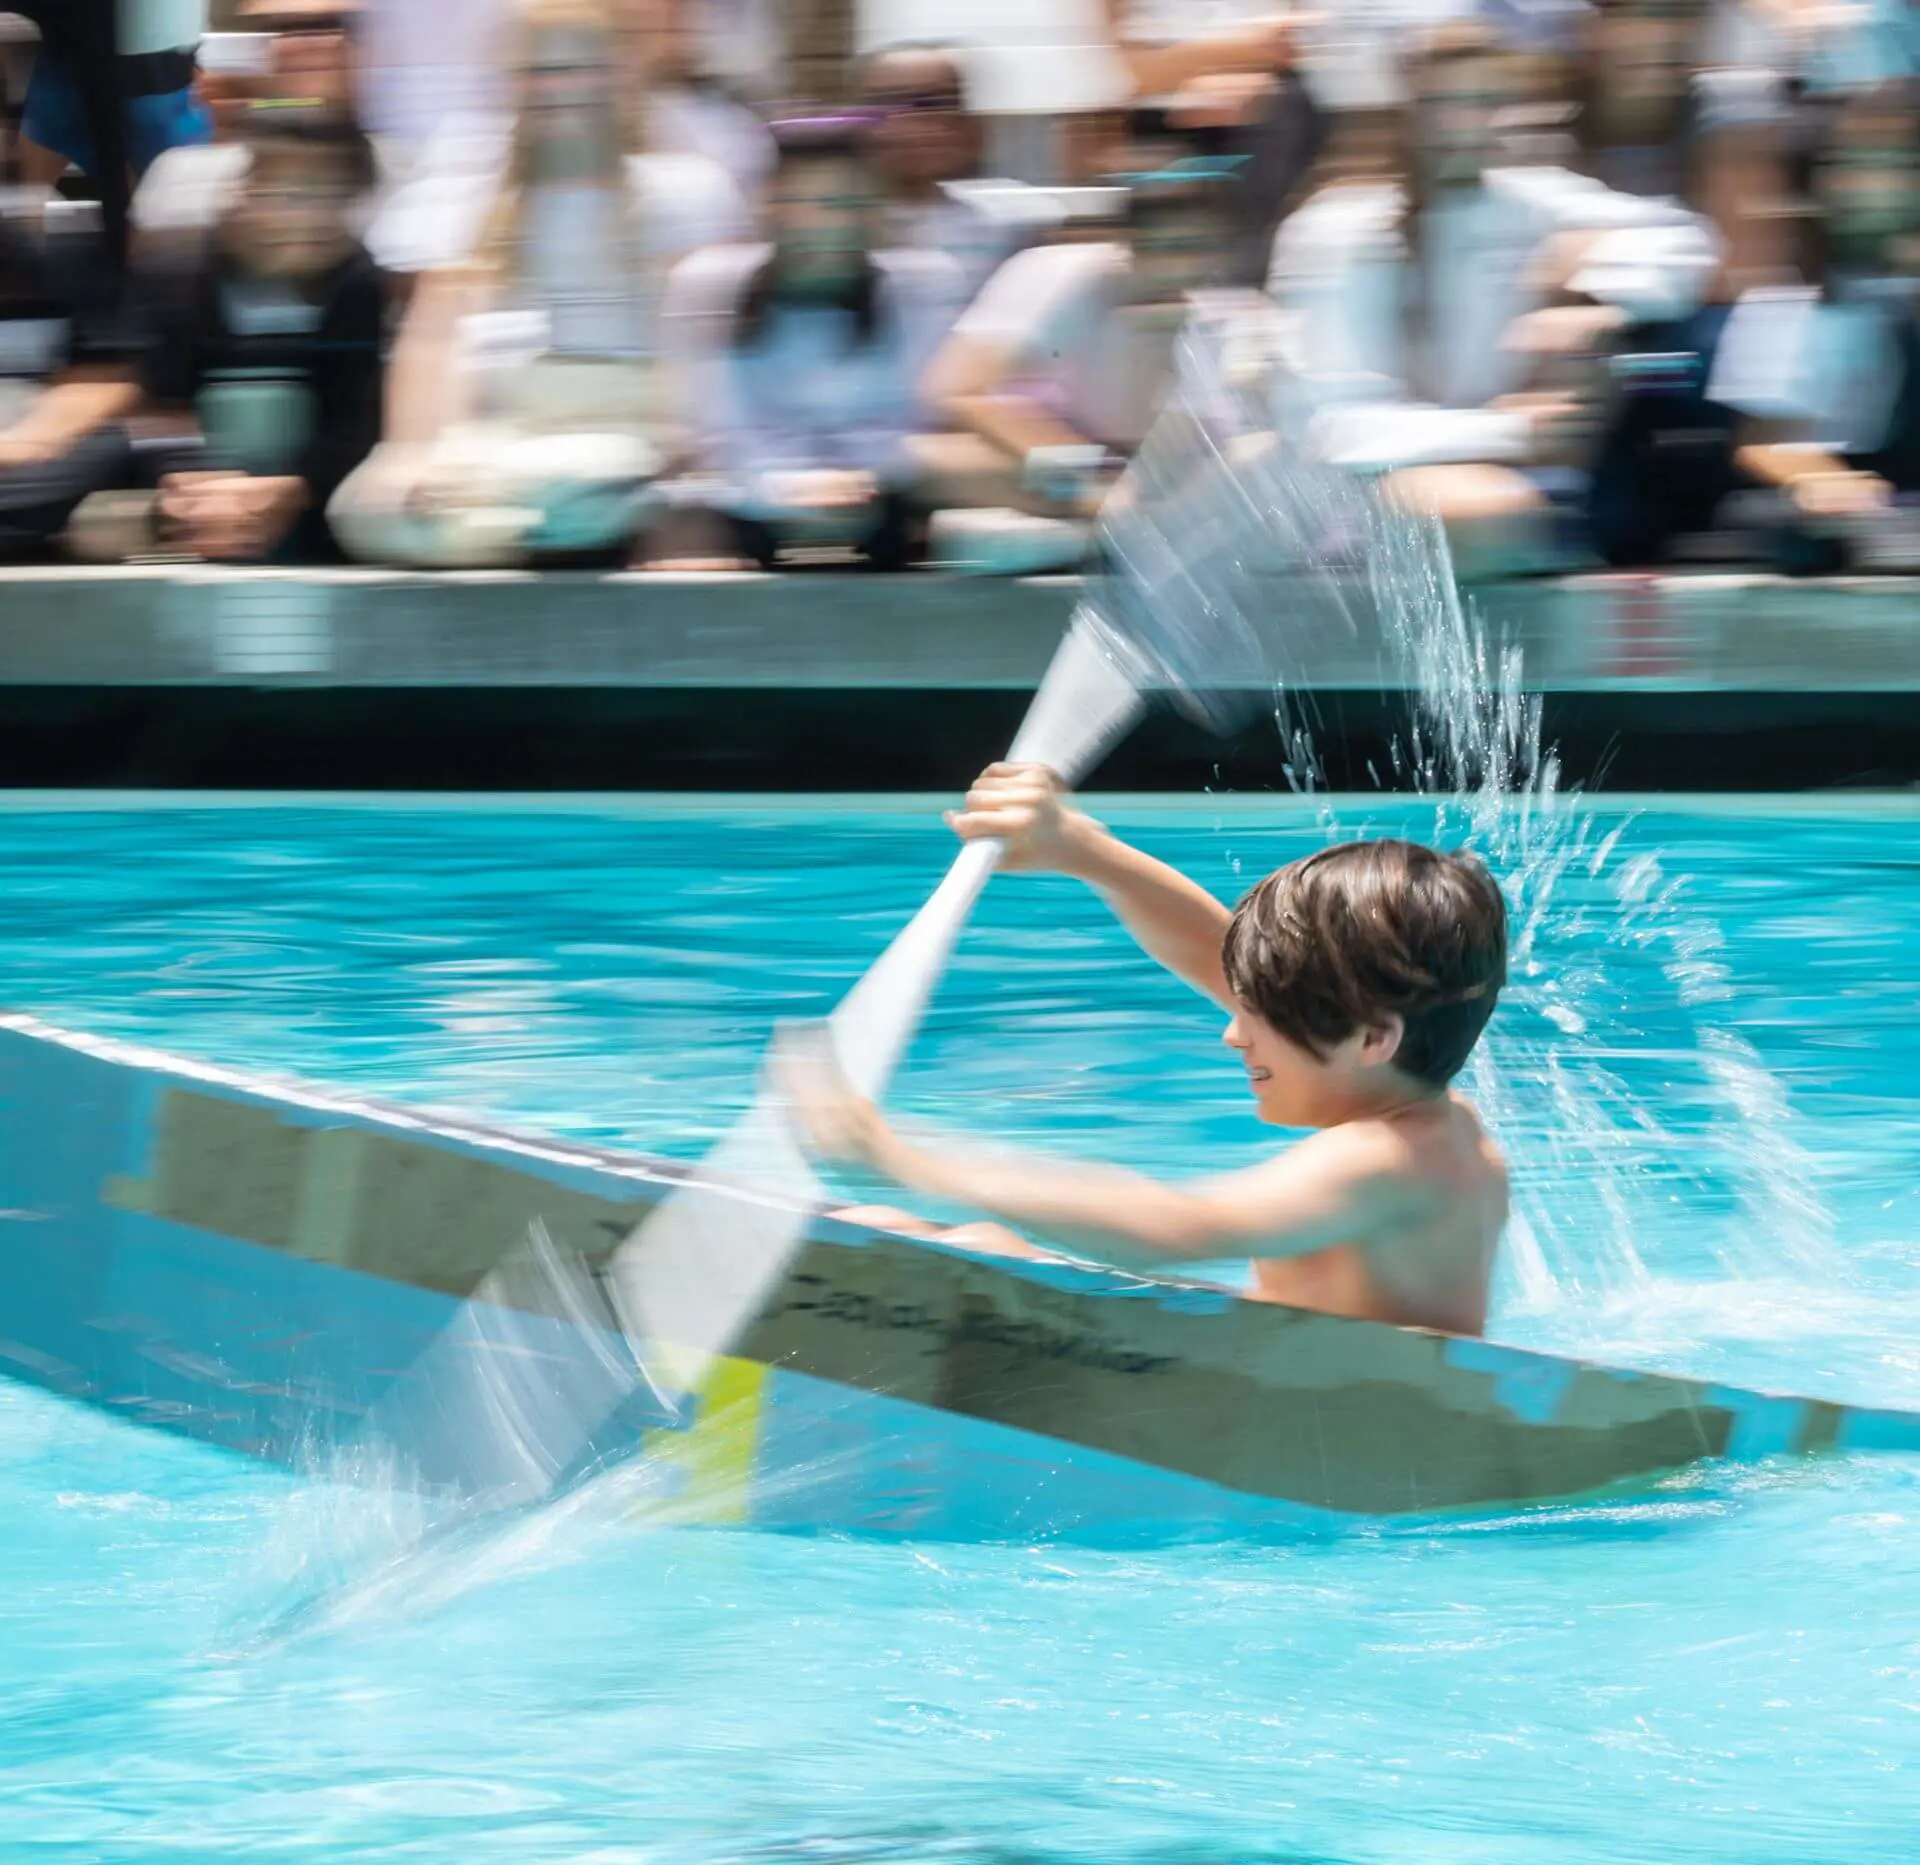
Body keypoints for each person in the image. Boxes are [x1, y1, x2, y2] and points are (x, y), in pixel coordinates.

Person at [789, 765, 1510, 1340]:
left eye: (1259, 1015)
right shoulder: (1409, 1101)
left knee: (955, 1251)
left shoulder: (1386, 1157)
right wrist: (1083, 849)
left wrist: (901, 1160)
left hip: (1355, 1430)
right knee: (963, 1243)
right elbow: (1214, 950)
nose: (1232, 1029)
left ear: (1373, 1036)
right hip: (1303, 1374)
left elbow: (1175, 1227)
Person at [1267, 19, 1722, 574]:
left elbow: (1690, 242)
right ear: (1404, 107)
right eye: (1441, 102)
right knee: (1496, 514)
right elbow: (1333, 432)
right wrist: (1511, 430)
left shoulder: (1531, 200)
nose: (1462, 123)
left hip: (1511, 478)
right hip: (1358, 496)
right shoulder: (1331, 233)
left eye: (1482, 101)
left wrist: (1598, 293)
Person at [328, 0, 743, 569]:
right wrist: (411, 455)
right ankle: (529, 525)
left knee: (572, 486)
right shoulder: (467, 195)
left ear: (622, 73)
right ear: (511, 85)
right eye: (540, 71)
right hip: (496, 434)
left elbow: (704, 348)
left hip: (626, 430)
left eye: (580, 68)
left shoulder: (686, 192)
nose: (560, 87)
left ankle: (557, 522)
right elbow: (431, 341)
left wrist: (687, 461)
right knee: (372, 510)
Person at [644, 117, 963, 571]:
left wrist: (867, 479)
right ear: (769, 207)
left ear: (874, 211)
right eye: (802, 203)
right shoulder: (705, 283)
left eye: (844, 204)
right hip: (741, 514)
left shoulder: (926, 285)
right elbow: (708, 435)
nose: (825, 224)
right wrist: (779, 488)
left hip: (889, 513)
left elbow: (926, 426)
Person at [129, 100, 386, 560]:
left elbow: (355, 421)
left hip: (310, 511)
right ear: (246, 188)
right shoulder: (180, 270)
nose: (308, 216)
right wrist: (188, 480)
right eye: (286, 191)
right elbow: (156, 399)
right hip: (197, 504)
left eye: (331, 196)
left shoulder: (361, 286)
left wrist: (294, 490)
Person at [0, 192, 142, 557]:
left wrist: (32, 438)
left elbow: (109, 378)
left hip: (38, 442)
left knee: (110, 442)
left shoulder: (65, 248)